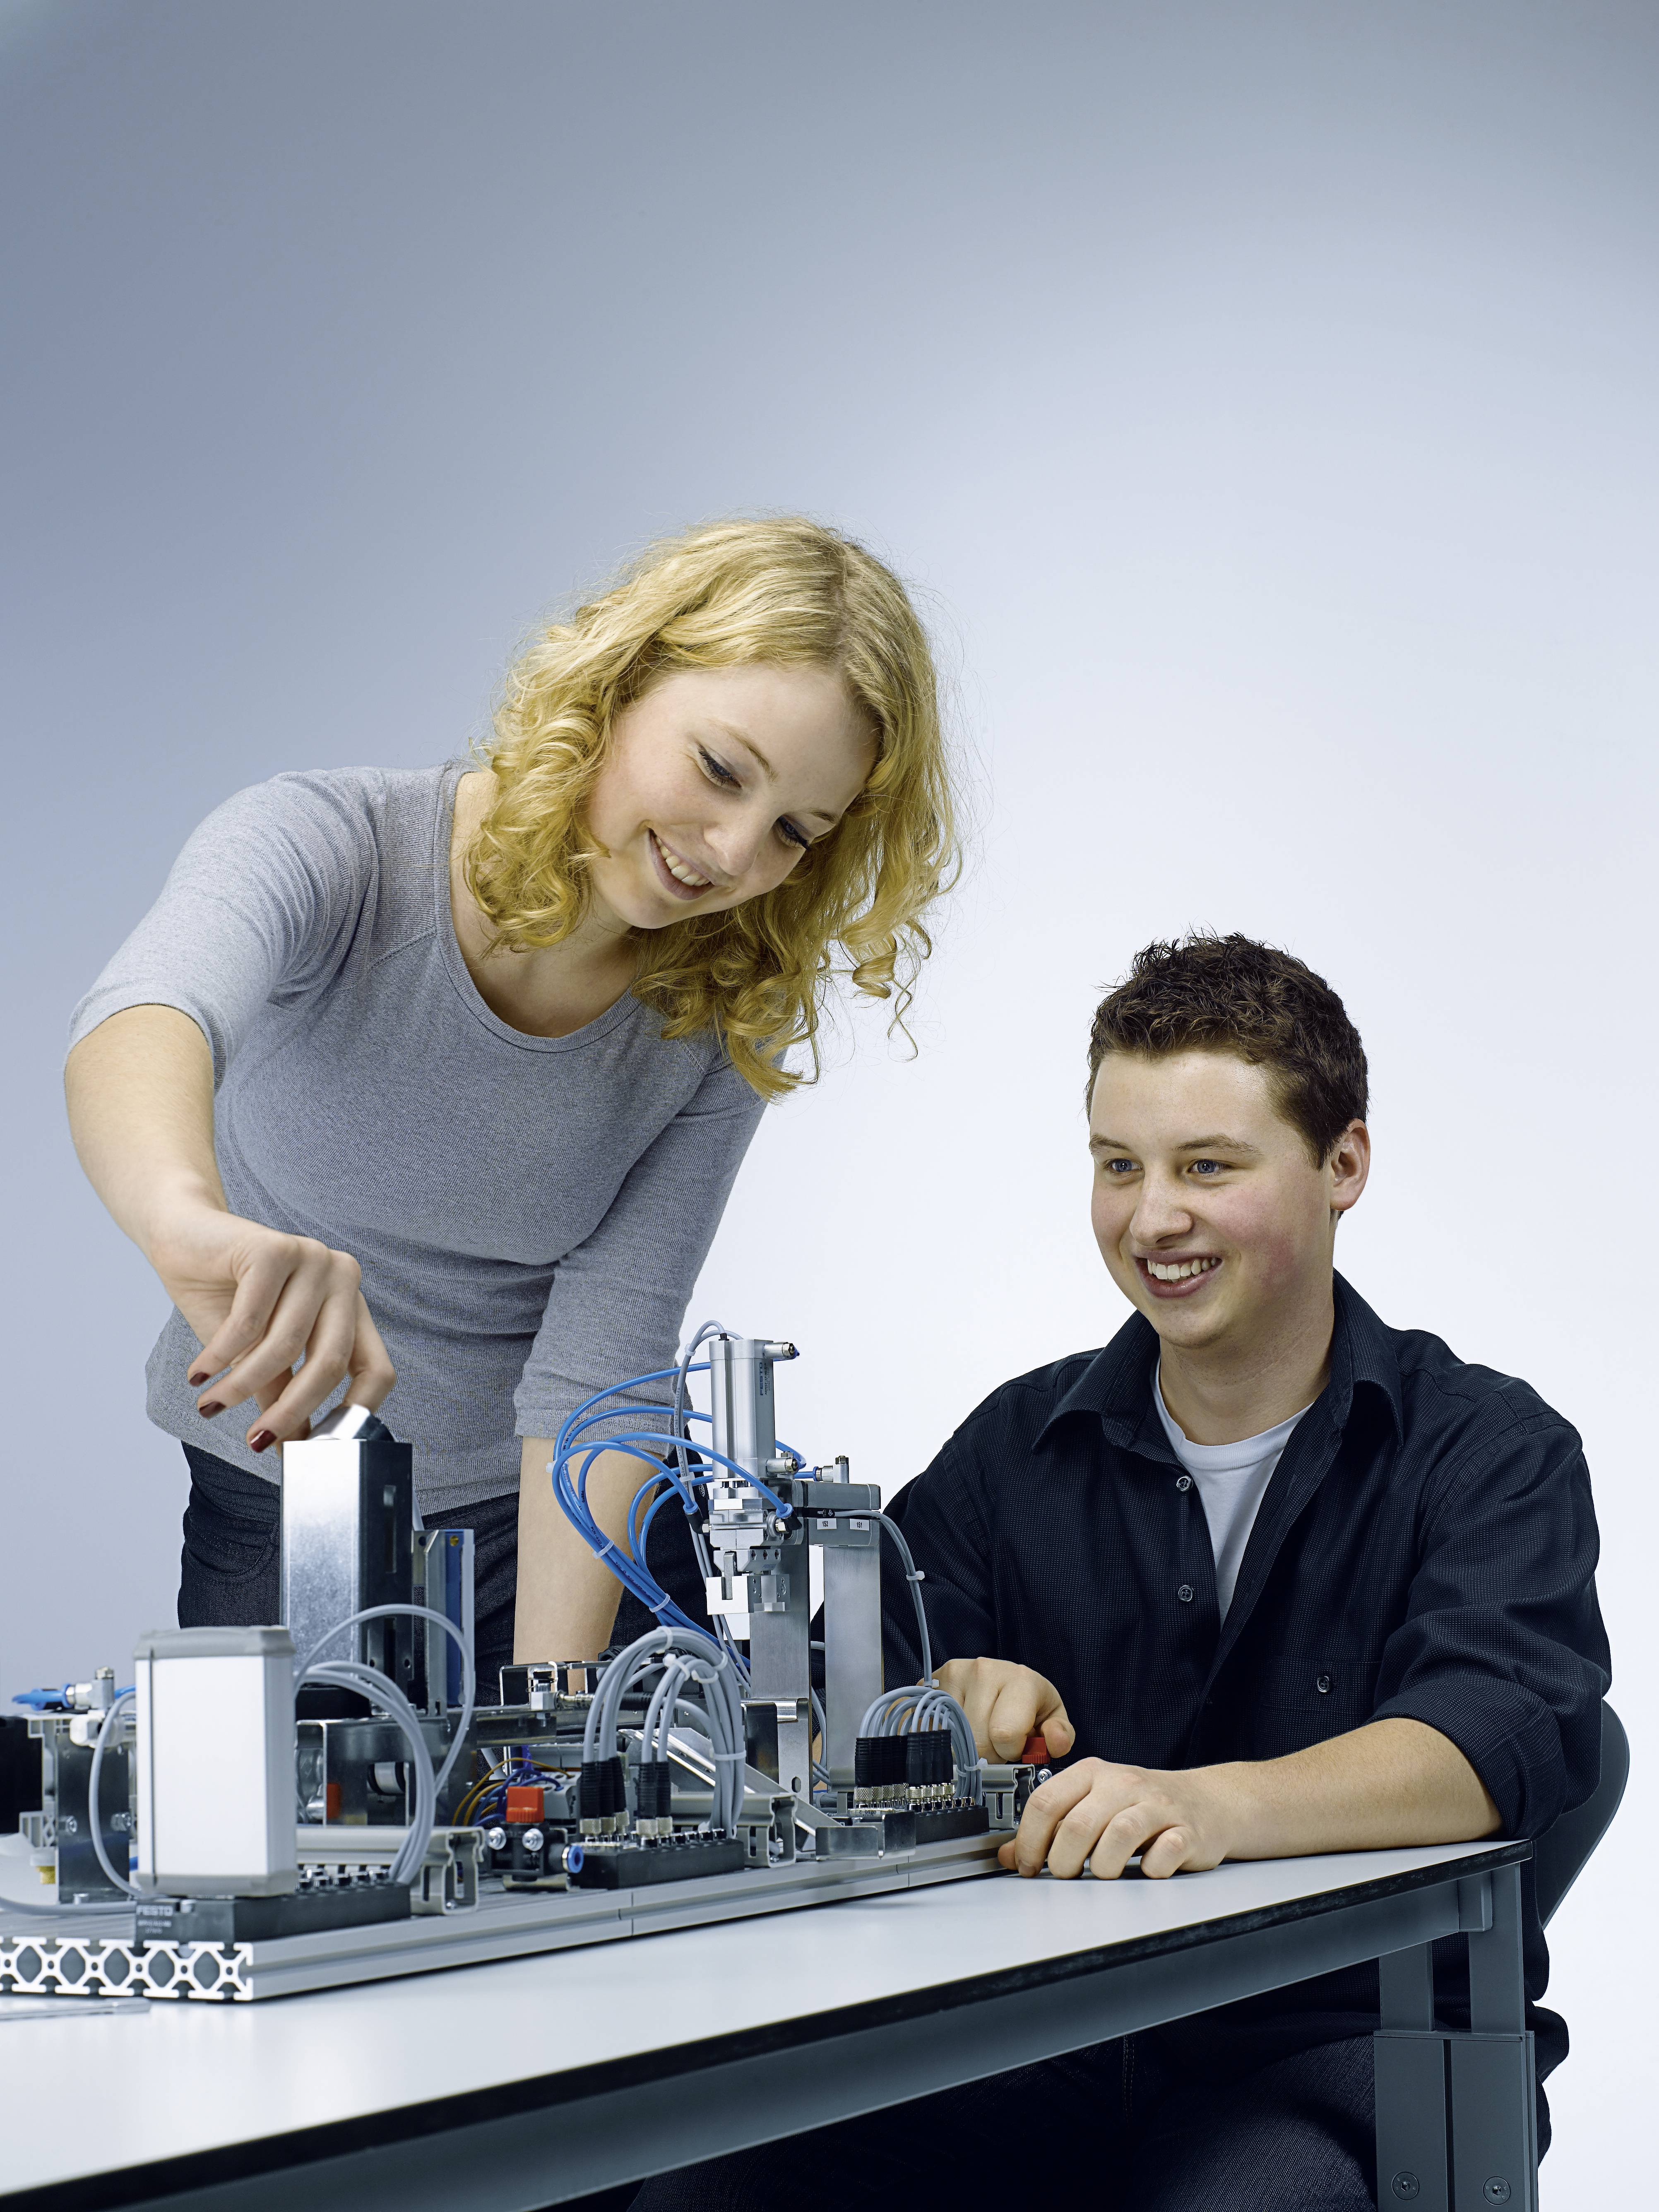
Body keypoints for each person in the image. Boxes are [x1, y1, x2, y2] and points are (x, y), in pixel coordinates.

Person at [633, 933, 1609, 2211]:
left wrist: (1210, 1807)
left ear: (1344, 1165)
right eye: (1118, 1166)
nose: (1153, 1219)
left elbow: (1494, 1741)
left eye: (1208, 1166)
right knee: (704, 2191)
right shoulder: (1015, 1452)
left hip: (1333, 2055)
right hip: (1040, 2048)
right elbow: (822, 1730)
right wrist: (940, 1712)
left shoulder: (1490, 1451)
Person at [65, 517, 958, 1685]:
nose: (737, 853)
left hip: (560, 1523)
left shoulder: (722, 1005)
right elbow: (150, 1010)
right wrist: (186, 1223)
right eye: (720, 769)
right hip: (280, 1498)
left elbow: (607, 1354)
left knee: (601, 1786)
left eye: (796, 830)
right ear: (618, 681)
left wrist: (558, 1714)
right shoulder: (333, 846)